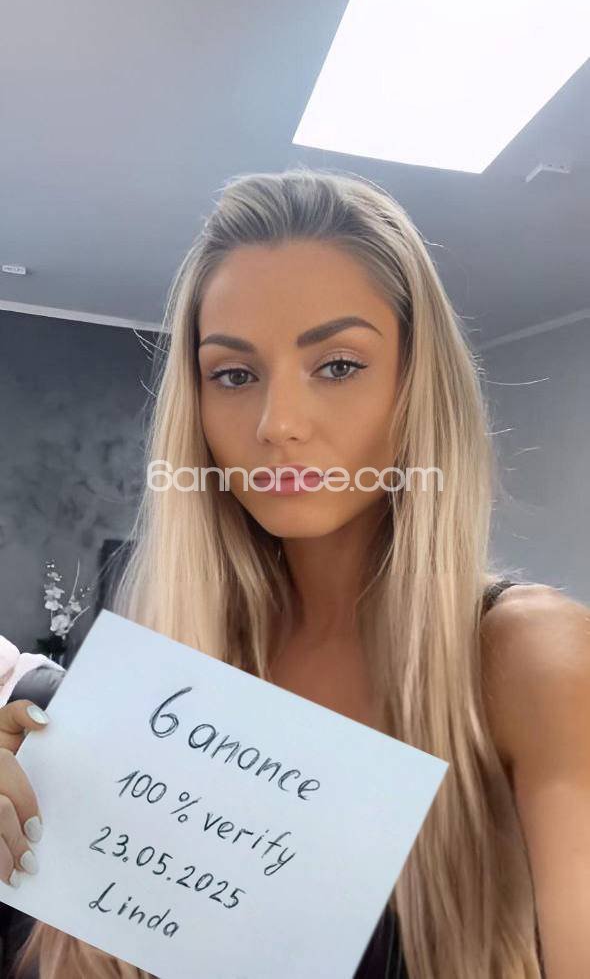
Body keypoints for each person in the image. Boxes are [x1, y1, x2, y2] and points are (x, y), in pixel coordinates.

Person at [1, 168, 589, 979]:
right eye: (234, 374)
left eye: (338, 364)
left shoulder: (529, 656)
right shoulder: (169, 662)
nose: (278, 424)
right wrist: (33, 828)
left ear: (416, 385)